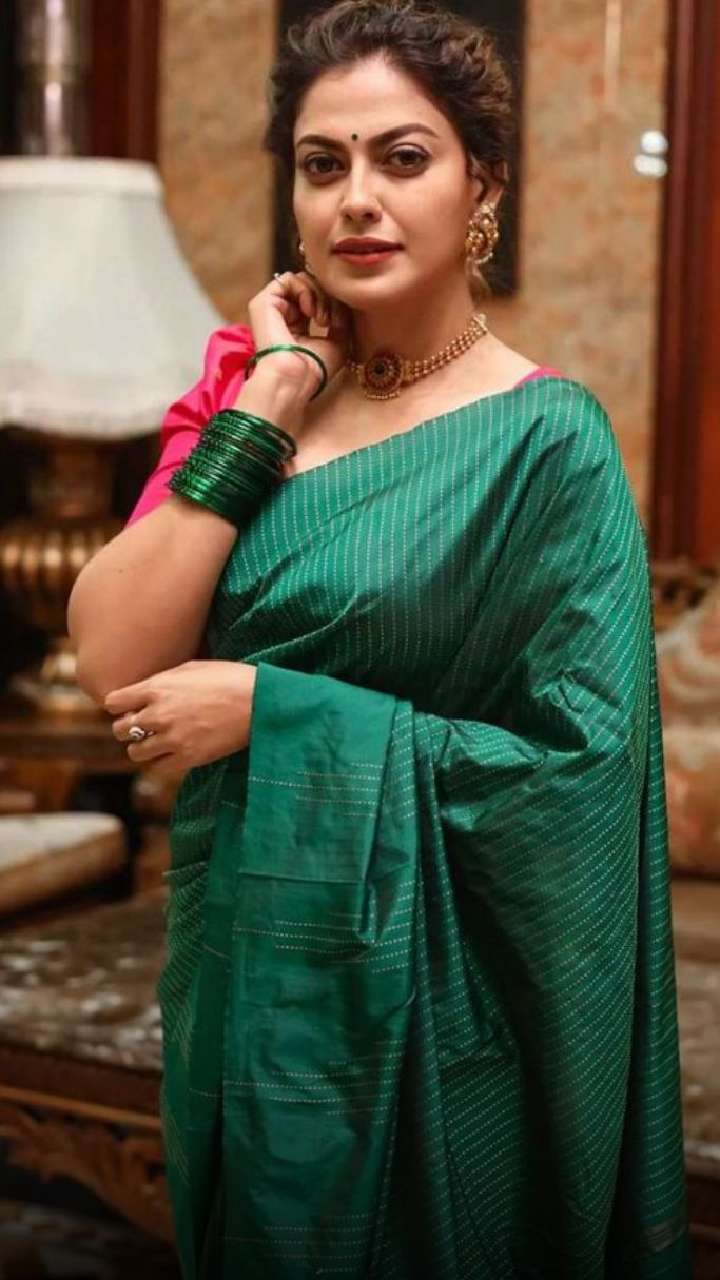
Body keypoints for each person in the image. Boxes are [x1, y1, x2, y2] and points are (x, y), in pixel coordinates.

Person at [68, 2, 692, 1276]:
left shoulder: (548, 441)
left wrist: (273, 711)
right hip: (245, 967)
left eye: (403, 158)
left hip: (442, 1016)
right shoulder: (252, 391)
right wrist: (272, 396)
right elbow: (115, 661)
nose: (357, 196)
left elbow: (584, 773)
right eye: (322, 163)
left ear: (483, 186)